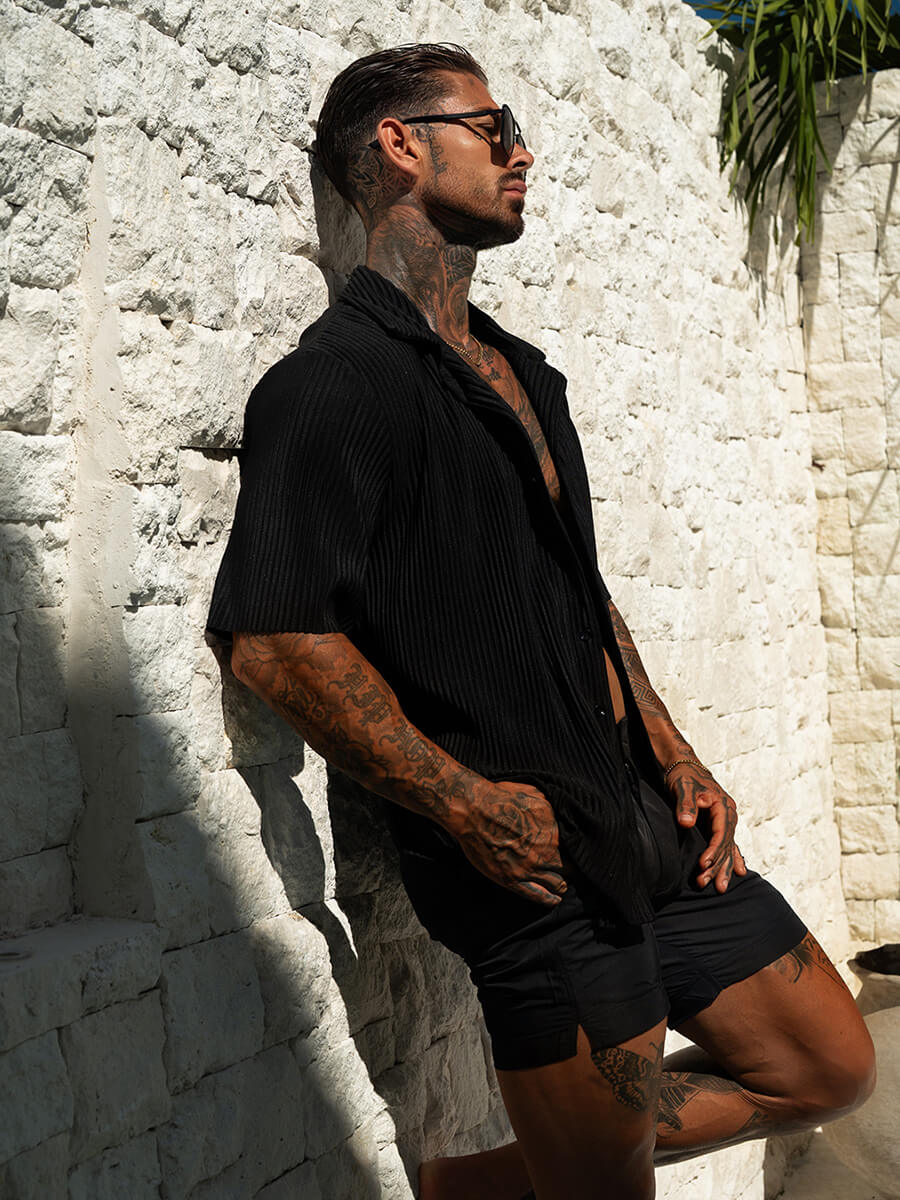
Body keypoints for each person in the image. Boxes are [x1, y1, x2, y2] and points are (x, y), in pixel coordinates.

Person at [207, 43, 875, 1200]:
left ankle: (477, 1188)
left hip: (650, 824)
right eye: (494, 126)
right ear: (401, 146)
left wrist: (673, 748)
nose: (523, 151)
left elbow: (580, 591)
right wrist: (465, 804)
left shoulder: (520, 372)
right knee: (606, 1188)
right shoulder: (335, 383)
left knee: (827, 1065)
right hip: (535, 874)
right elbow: (272, 639)